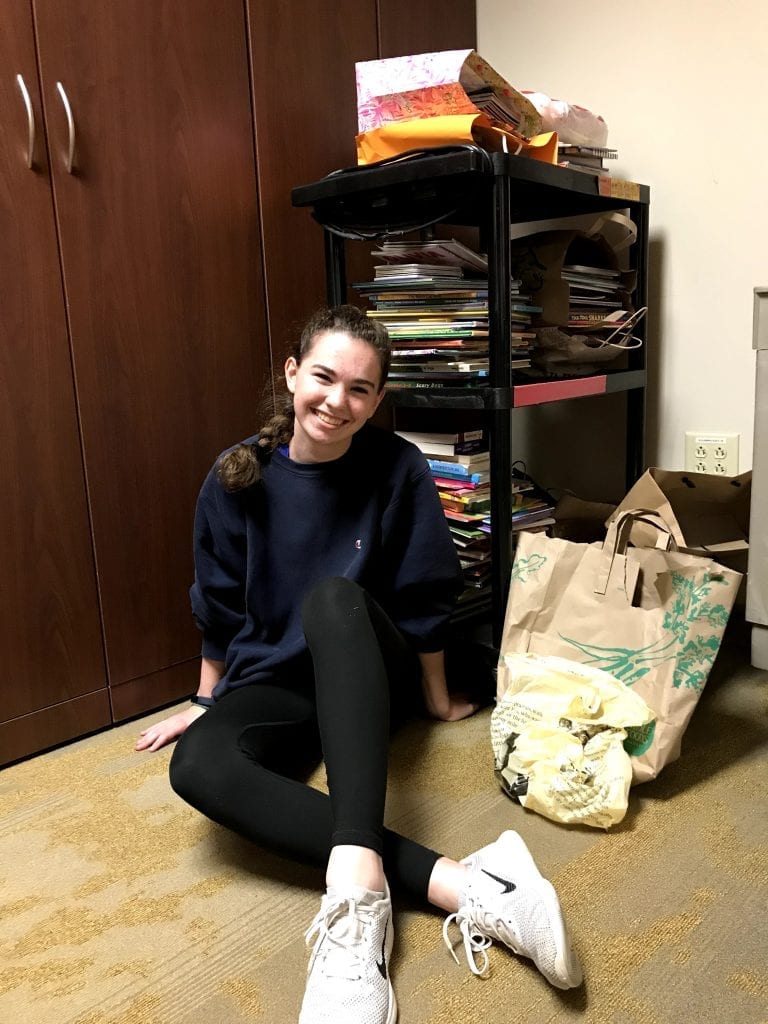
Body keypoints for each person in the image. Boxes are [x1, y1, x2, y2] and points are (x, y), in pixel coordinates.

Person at [136, 305, 582, 1023]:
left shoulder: (397, 466)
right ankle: (466, 885)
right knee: (196, 768)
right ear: (290, 375)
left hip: (369, 660)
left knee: (332, 600)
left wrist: (435, 699)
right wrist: (206, 700)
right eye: (323, 377)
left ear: (377, 401)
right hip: (280, 679)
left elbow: (425, 591)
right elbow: (217, 606)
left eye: (360, 390)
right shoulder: (235, 478)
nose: (336, 402)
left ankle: (355, 912)